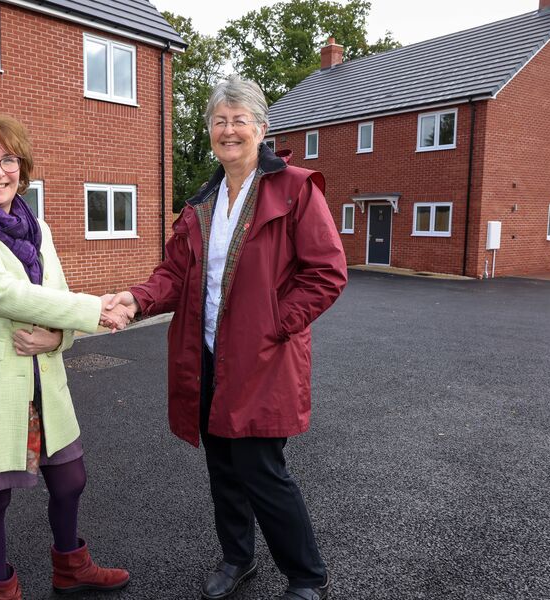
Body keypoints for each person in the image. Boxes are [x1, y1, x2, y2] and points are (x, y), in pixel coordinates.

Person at [104, 74, 347, 600]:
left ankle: (307, 576)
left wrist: (274, 324)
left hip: (264, 357)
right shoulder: (202, 203)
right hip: (207, 355)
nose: (229, 130)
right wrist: (136, 299)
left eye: (240, 120)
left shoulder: (295, 189)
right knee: (222, 468)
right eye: (220, 121)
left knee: (262, 471)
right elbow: (174, 274)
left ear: (261, 129)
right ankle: (238, 558)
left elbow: (326, 273)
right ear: (210, 131)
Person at [0, 115, 136, 600]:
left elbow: (53, 298)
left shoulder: (37, 227)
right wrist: (96, 311)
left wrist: (58, 339)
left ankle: (71, 568)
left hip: (45, 379)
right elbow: (4, 295)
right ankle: (2, 589)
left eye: (8, 159)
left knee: (70, 480)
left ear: (21, 166)